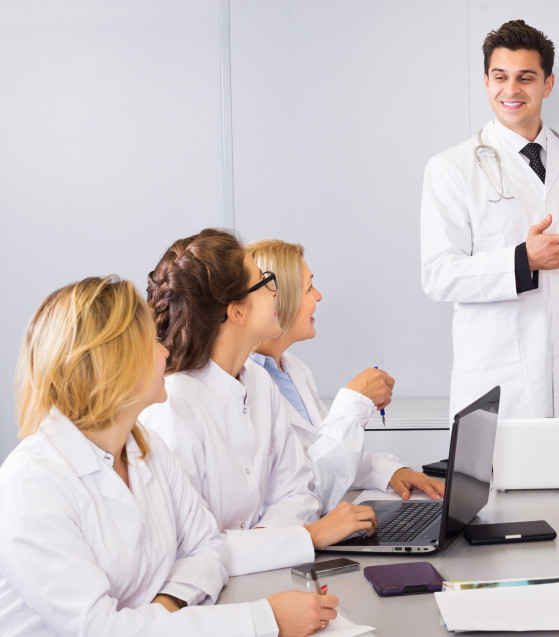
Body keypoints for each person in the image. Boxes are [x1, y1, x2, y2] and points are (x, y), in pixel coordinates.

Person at [0, 276, 338, 636]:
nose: (165, 352)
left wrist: (164, 607)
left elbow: (208, 549)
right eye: (152, 342)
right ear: (114, 363)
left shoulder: (143, 446)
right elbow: (102, 630)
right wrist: (262, 620)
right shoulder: (31, 483)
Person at [420, 19, 559, 419]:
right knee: (502, 478)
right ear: (485, 81)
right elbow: (439, 274)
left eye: (525, 78)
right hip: (500, 377)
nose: (511, 90)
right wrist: (523, 260)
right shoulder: (451, 168)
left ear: (548, 85)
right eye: (500, 77)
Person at [141, 229, 376, 576]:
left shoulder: (259, 383)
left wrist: (266, 543)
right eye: (265, 281)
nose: (276, 290)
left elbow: (299, 493)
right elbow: (190, 549)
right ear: (236, 312)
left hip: (266, 571)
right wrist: (306, 537)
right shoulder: (173, 407)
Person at [247, 238, 444, 509]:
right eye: (308, 288)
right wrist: (353, 401)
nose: (318, 295)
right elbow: (311, 488)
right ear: (279, 299)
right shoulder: (246, 386)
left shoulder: (293, 370)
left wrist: (390, 472)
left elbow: (327, 451)